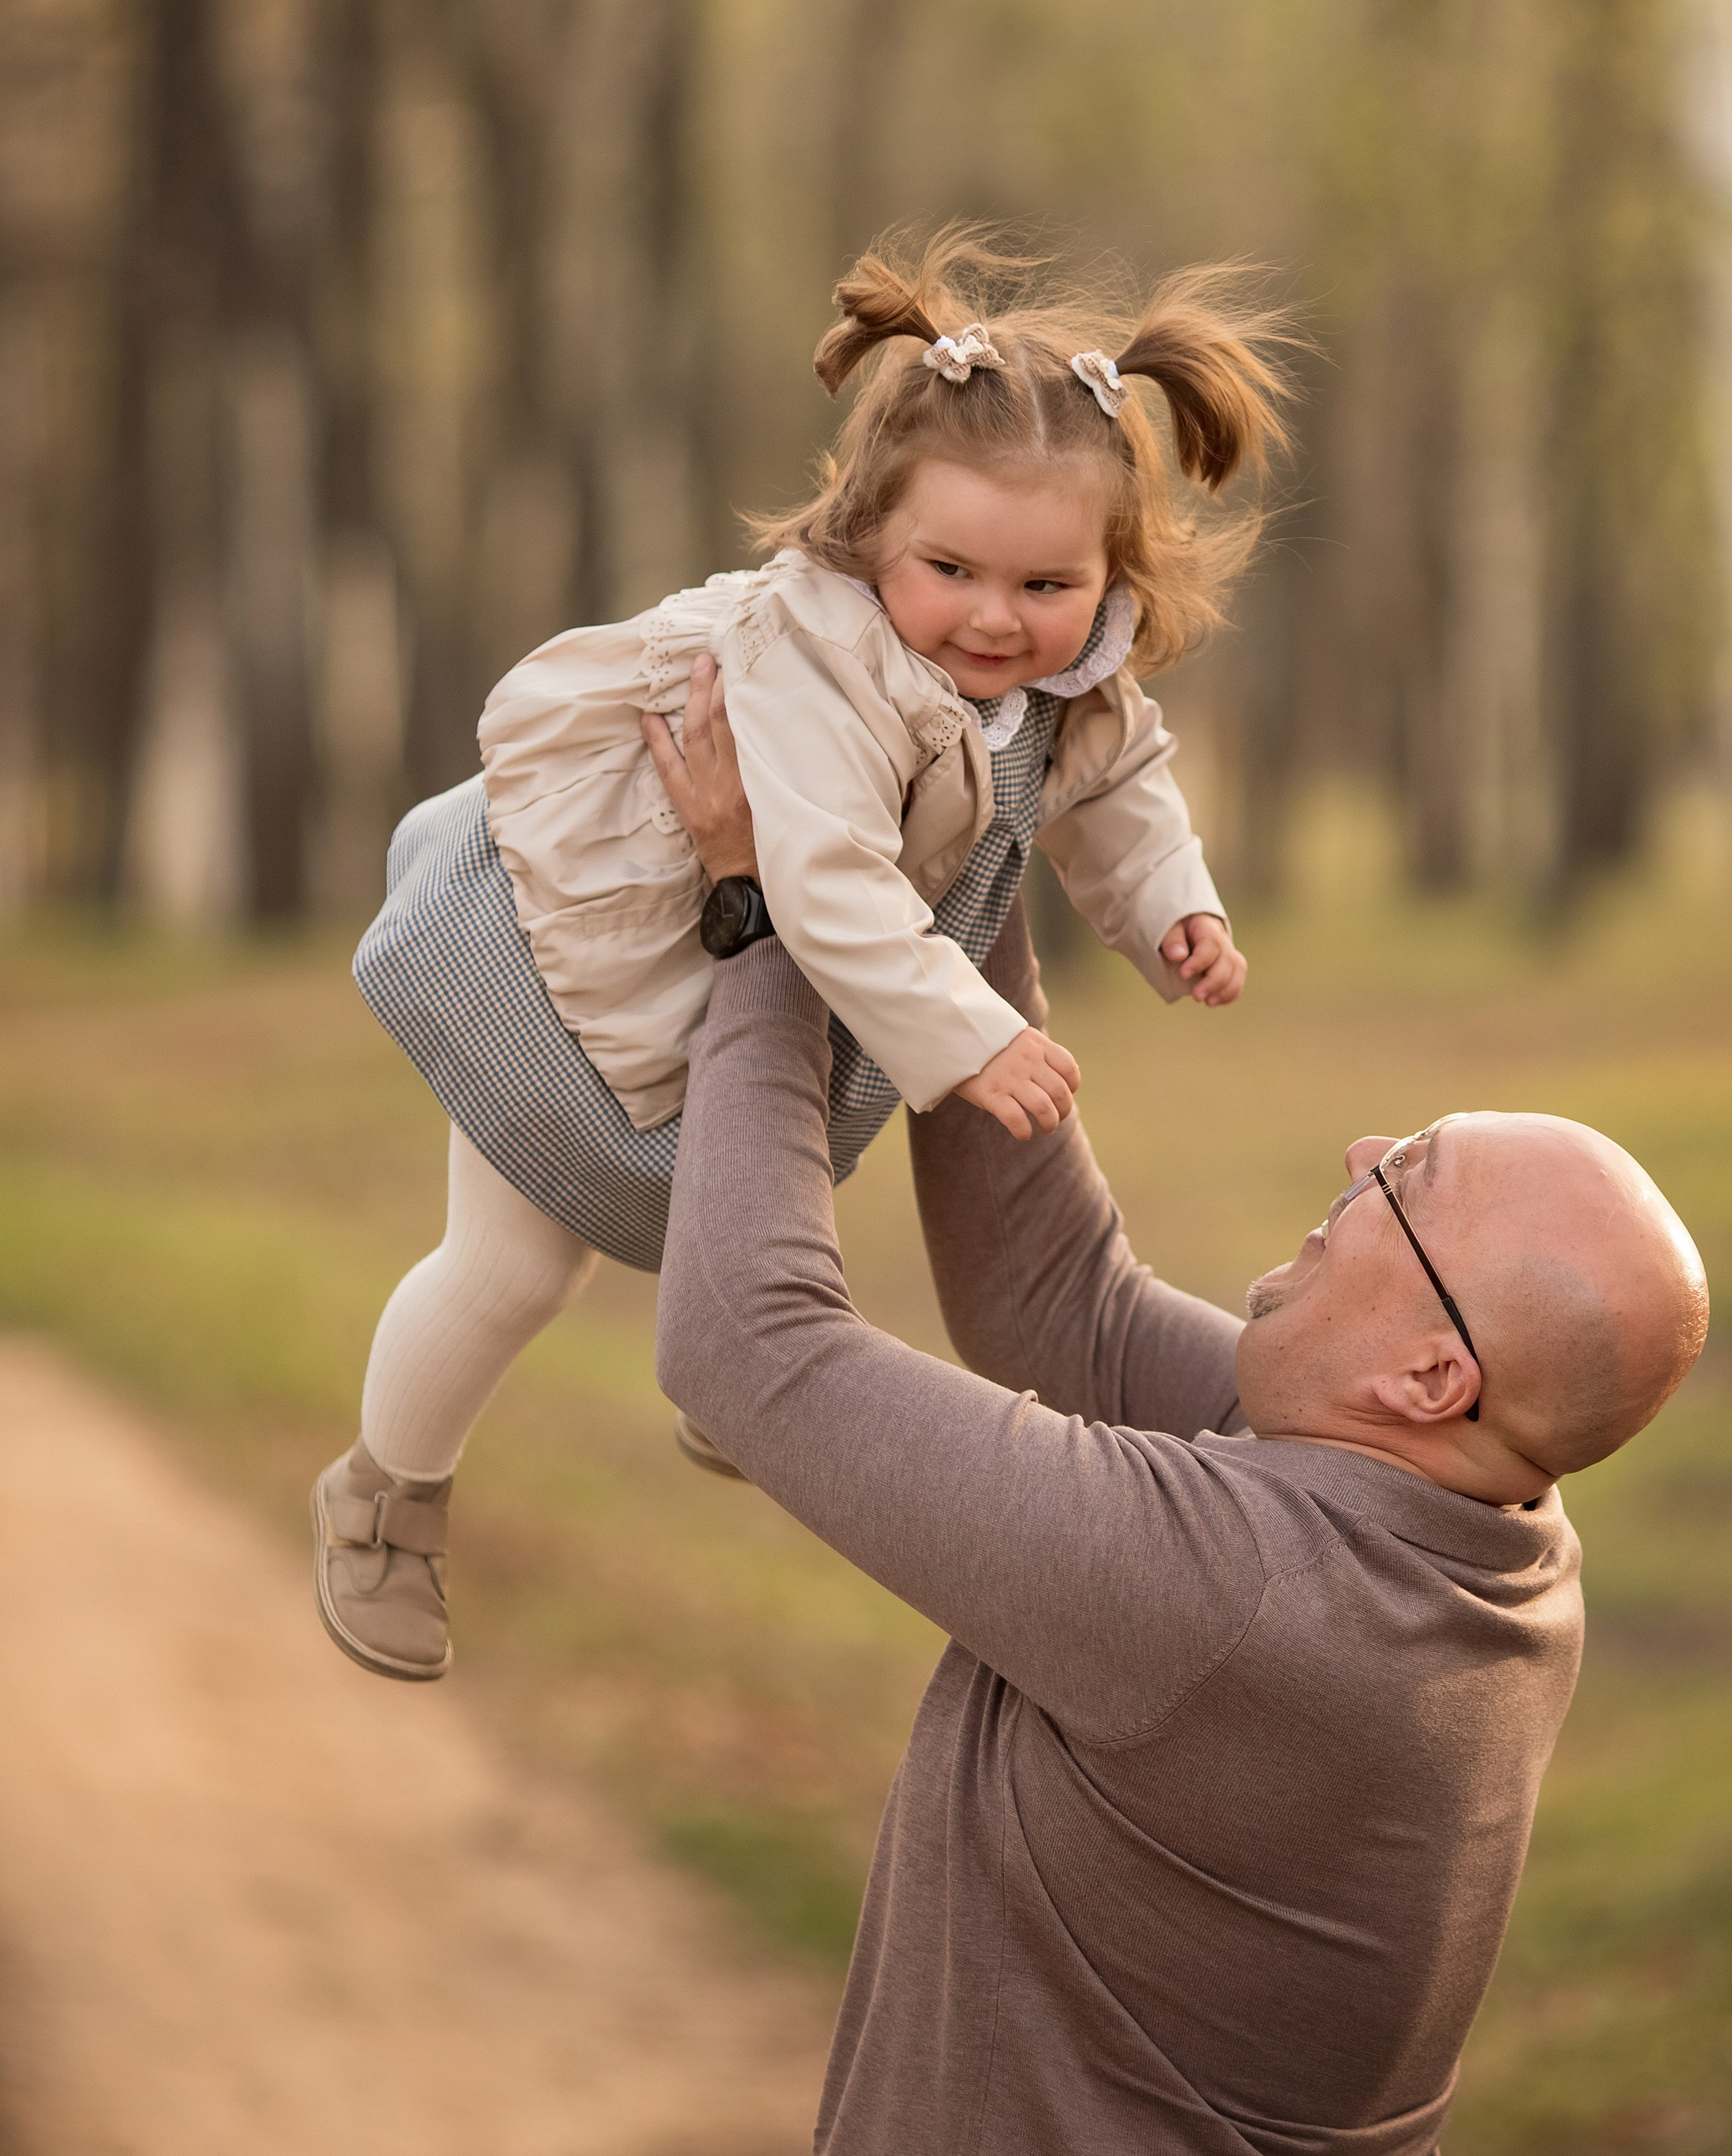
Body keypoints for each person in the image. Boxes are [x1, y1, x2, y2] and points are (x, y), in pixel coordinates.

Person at [650, 657, 1711, 2156]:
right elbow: (1052, 1300)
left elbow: (745, 1350)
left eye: (1407, 1181)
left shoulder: (1241, 1601)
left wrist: (757, 917)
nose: (1360, 1153)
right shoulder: (1478, 1533)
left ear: (1429, 1375)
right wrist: (967, 842)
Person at [315, 231, 1293, 1682]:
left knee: (761, 1158)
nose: (995, 618)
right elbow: (825, 884)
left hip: (744, 985)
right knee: (516, 1264)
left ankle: (739, 1366)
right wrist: (974, 1036)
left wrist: (1173, 912)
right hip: (572, 953)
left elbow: (1119, 784)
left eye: (1047, 584)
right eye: (950, 570)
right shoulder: (819, 659)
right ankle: (383, 1499)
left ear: (1110, 574)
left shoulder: (1067, 671)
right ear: (865, 532)